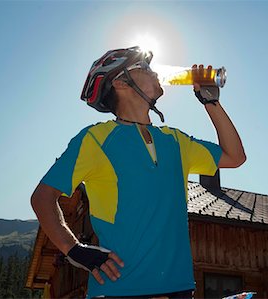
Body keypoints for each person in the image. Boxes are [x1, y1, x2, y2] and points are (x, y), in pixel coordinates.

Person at [31, 46, 246, 298]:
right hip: (119, 290)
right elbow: (42, 197)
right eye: (144, 67)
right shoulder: (95, 139)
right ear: (121, 83)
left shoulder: (175, 140)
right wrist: (75, 250)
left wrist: (211, 103)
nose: (155, 72)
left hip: (178, 289)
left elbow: (235, 157)